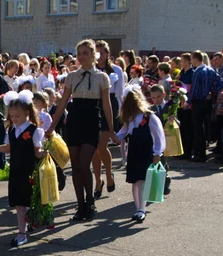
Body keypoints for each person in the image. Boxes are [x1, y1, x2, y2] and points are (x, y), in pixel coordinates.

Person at [49, 39, 119, 221]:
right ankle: (80, 205)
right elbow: (63, 101)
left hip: (92, 121)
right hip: (74, 120)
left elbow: (106, 105)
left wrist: (111, 130)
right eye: (79, 53)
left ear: (93, 55)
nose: (81, 56)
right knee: (76, 166)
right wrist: (51, 125)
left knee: (83, 164)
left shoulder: (101, 77)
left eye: (85, 53)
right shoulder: (72, 76)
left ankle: (90, 201)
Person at [0, 91, 45, 247]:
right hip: (15, 171)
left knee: (27, 201)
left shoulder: (34, 130)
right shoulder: (11, 130)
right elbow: (8, 148)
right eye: (12, 116)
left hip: (29, 171)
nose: (14, 119)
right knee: (19, 203)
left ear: (27, 113)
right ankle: (22, 232)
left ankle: (25, 228)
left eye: (18, 116)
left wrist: (44, 151)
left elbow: (37, 151)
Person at [116, 86, 165, 223]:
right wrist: (114, 137)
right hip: (134, 151)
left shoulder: (149, 116)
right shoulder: (130, 118)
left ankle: (141, 209)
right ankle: (138, 207)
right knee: (135, 181)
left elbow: (158, 135)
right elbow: (123, 132)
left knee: (142, 180)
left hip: (145, 151)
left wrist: (157, 153)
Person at [92, 40, 123, 200]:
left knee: (102, 145)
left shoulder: (116, 69)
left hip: (110, 105)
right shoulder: (91, 70)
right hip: (94, 107)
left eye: (102, 53)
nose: (99, 56)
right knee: (94, 149)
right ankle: (98, 181)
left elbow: (120, 93)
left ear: (107, 54)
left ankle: (109, 174)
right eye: (96, 53)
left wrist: (124, 115)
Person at [186, 50, 223, 163]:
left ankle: (200, 154)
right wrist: (212, 93)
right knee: (203, 127)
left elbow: (195, 89)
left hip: (198, 102)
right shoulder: (211, 70)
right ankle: (201, 152)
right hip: (207, 102)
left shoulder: (198, 71)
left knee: (198, 129)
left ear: (196, 59)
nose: (191, 61)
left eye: (192, 59)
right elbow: (220, 83)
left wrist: (189, 101)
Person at [149, 85, 173, 195]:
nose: (156, 100)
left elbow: (179, 123)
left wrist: (173, 121)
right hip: (155, 140)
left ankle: (165, 180)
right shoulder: (150, 109)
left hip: (167, 138)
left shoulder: (170, 107)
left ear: (164, 95)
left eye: (158, 97)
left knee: (163, 160)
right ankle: (162, 182)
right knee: (158, 160)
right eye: (153, 98)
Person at [177, 53, 194, 160]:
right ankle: (181, 150)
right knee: (182, 128)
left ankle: (188, 151)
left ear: (187, 61)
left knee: (188, 128)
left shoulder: (192, 73)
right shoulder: (182, 72)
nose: (181, 63)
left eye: (182, 61)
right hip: (180, 102)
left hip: (188, 105)